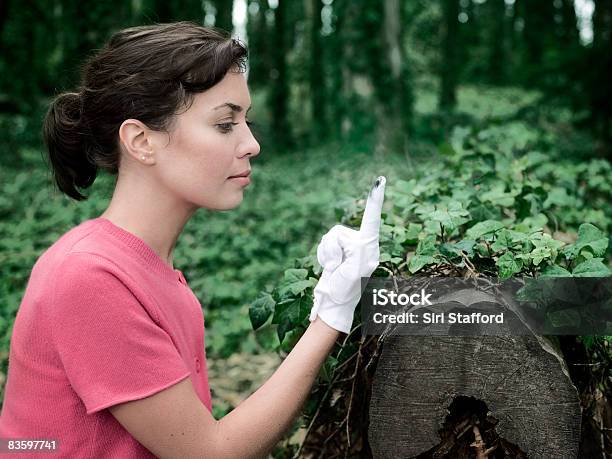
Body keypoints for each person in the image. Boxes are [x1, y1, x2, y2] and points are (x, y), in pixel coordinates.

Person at [0, 22, 385, 458]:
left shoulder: (144, 270)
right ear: (141, 141)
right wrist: (332, 312)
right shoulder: (90, 278)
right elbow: (209, 452)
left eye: (246, 121)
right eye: (225, 124)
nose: (252, 144)